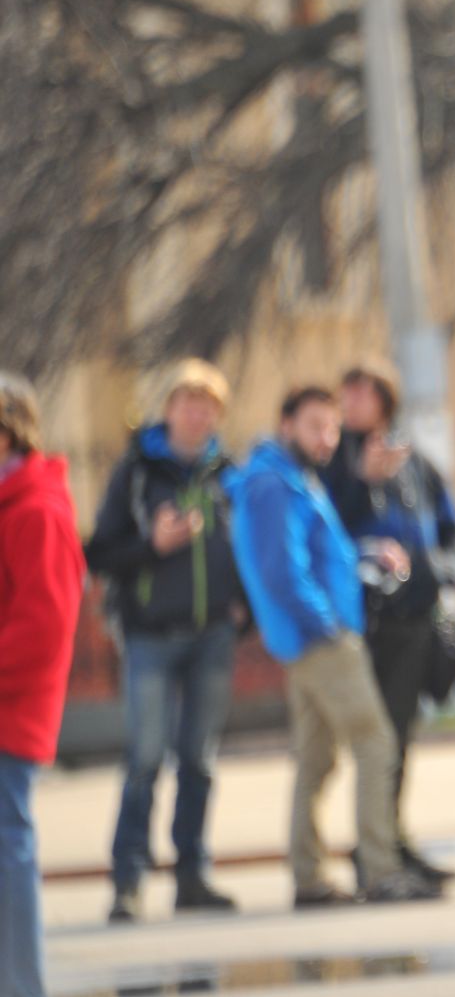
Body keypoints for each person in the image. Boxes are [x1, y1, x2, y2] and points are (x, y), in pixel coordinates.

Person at [227, 387, 437, 907]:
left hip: (306, 638)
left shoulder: (290, 479)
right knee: (375, 742)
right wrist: (327, 625)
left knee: (316, 758)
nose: (326, 438)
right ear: (285, 425)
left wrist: (364, 550)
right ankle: (381, 870)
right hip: (321, 640)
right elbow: (282, 572)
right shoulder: (274, 484)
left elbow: (319, 554)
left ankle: (310, 878)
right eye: (315, 426)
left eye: (332, 428)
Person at [86, 360, 246, 922]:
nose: (196, 413)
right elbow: (98, 553)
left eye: (207, 404)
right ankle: (128, 881)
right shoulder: (137, 472)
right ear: (169, 408)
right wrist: (153, 546)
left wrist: (243, 611)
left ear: (217, 415)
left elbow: (248, 551)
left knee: (199, 761)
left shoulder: (229, 474)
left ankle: (192, 875)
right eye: (186, 401)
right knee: (145, 759)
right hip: (151, 638)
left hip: (213, 637)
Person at [319, 358, 455, 887]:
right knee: (373, 742)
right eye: (346, 393)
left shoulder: (414, 462)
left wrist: (438, 570)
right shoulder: (334, 463)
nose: (352, 402)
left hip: (416, 618)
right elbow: (330, 530)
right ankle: (375, 848)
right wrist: (361, 480)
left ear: (385, 399)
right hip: (368, 622)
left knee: (400, 738)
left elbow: (450, 529)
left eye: (362, 392)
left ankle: (392, 841)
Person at [0, 372, 87, 997]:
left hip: (12, 711)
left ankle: (20, 985)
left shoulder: (38, 509)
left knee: (9, 852)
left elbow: (44, 628)